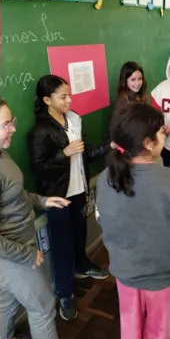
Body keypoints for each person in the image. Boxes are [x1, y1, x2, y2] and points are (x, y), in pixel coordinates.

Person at [96, 103, 170, 339]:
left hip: (125, 272)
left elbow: (102, 217)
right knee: (160, 336)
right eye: (161, 132)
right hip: (162, 274)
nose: (164, 135)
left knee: (130, 332)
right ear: (148, 143)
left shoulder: (106, 178)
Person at [30, 74, 111, 321]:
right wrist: (64, 153)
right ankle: (65, 292)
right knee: (62, 245)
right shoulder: (41, 131)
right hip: (57, 196)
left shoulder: (75, 119)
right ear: (47, 99)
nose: (69, 100)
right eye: (63, 96)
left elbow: (85, 154)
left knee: (79, 232)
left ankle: (82, 264)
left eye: (69, 94)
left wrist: (110, 145)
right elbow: (39, 169)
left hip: (78, 189)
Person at [0, 98, 67, 339]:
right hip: (11, 255)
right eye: (6, 124)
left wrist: (43, 200)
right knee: (43, 306)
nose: (13, 129)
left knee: (5, 301)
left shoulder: (0, 154)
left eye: (12, 122)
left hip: (15, 251)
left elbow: (15, 194)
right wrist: (26, 254)